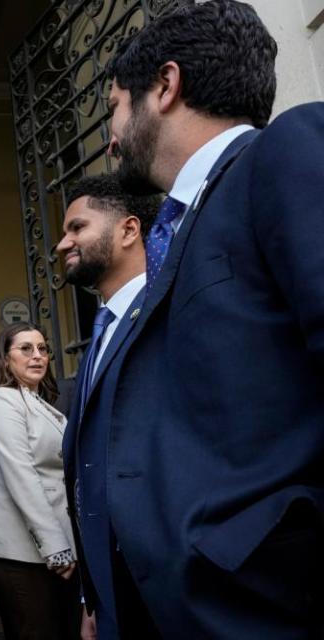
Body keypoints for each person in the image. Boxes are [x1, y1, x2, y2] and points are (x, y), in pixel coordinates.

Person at [96, 1, 324, 636]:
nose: (111, 136)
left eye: (115, 106)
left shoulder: (283, 153)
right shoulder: (179, 229)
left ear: (164, 87)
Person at [55, 174, 158, 638]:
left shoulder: (165, 312)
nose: (62, 244)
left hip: (162, 585)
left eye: (77, 228)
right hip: (111, 590)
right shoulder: (102, 327)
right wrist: (90, 595)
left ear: (129, 230)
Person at [0, 322, 78, 640]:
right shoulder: (2, 401)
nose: (37, 356)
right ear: (5, 360)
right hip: (16, 547)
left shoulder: (44, 406)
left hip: (51, 541)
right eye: (25, 349)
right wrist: (57, 548)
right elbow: (21, 474)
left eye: (42, 348)